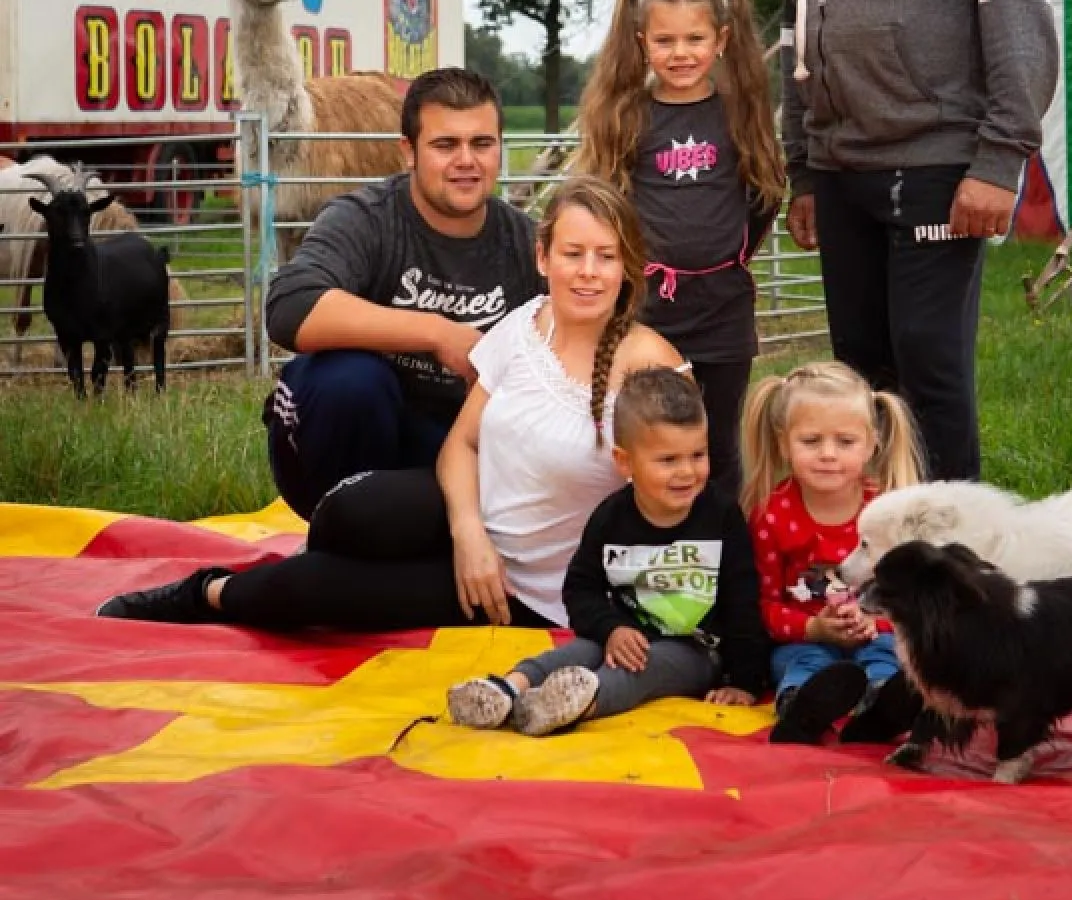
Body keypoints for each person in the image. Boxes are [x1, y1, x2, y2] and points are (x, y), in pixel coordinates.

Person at [97, 178, 683, 632]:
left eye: (606, 257)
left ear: (629, 267)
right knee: (351, 515)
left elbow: (678, 492)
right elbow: (463, 443)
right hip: (475, 515)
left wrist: (644, 614)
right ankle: (386, 554)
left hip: (533, 584)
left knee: (320, 590)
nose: (587, 272)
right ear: (542, 259)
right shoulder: (525, 324)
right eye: (573, 253)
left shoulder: (652, 366)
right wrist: (468, 532)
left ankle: (207, 591)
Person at [779, 0, 1059, 481]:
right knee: (860, 377)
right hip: (841, 170)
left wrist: (1000, 160)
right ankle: (876, 551)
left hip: (937, 165)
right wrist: (803, 164)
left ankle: (952, 564)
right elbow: (796, 33)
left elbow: (1018, 16)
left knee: (930, 371)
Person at [262, 67, 541, 519]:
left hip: (453, 442)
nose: (466, 160)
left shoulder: (525, 244)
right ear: (408, 152)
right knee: (349, 381)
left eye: (482, 144)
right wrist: (437, 333)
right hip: (345, 435)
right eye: (445, 145)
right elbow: (290, 307)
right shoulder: (365, 218)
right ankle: (338, 534)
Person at [447, 367, 769, 736]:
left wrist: (745, 680)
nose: (687, 472)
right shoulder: (610, 518)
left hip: (695, 649)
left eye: (698, 455)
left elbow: (744, 600)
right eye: (668, 460)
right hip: (621, 636)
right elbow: (579, 590)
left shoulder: (722, 516)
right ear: (625, 462)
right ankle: (506, 690)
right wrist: (612, 627)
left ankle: (574, 704)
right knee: (578, 651)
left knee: (640, 667)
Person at [574, 0, 786, 504]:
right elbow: (604, 203)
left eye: (695, 39)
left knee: (716, 444)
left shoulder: (740, 111)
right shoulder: (627, 114)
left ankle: (722, 554)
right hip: (647, 309)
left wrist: (724, 256)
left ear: (722, 40)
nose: (681, 53)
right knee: (647, 434)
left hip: (722, 309)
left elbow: (763, 195)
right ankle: (642, 540)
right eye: (665, 40)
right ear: (642, 42)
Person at [743, 360, 922, 746]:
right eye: (811, 441)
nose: (828, 454)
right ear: (782, 443)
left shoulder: (885, 512)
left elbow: (912, 599)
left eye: (845, 442)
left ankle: (883, 704)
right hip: (805, 639)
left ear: (873, 442)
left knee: (888, 654)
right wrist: (813, 628)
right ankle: (800, 707)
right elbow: (764, 603)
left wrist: (875, 623)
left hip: (875, 633)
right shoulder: (772, 515)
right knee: (799, 662)